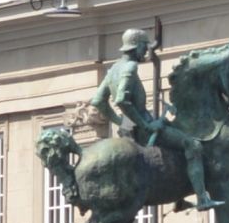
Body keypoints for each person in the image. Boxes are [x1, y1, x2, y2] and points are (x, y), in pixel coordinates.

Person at [87, 23, 210, 206]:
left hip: (128, 129)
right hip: (143, 129)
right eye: (145, 46)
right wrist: (146, 125)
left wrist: (120, 121)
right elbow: (122, 99)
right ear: (136, 45)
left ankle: (179, 197)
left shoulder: (114, 69)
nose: (146, 50)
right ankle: (202, 199)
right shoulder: (129, 68)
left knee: (175, 131)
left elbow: (98, 101)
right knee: (192, 145)